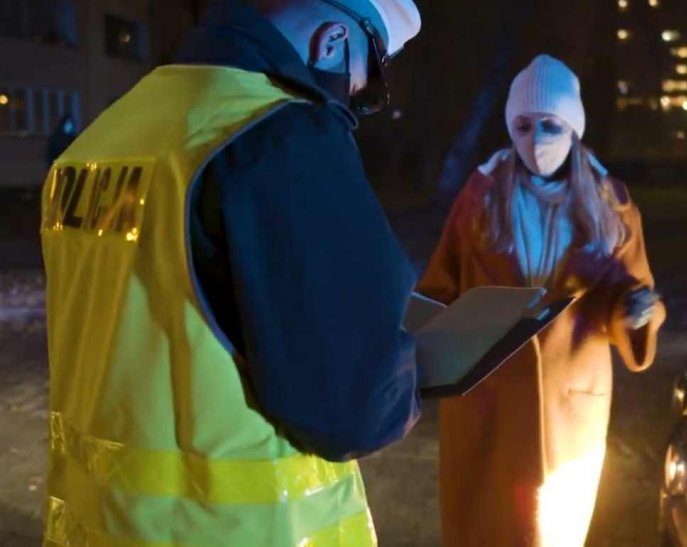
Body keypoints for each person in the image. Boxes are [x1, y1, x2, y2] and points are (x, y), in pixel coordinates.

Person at [39, 1, 422, 545]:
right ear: (332, 41)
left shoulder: (100, 139)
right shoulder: (280, 136)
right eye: (371, 77)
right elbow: (351, 408)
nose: (360, 98)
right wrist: (409, 373)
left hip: (97, 526)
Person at [418, 54, 667, 547]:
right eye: (524, 125)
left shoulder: (610, 205)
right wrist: (426, 341)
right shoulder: (480, 199)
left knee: (549, 531)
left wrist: (636, 312)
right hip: (487, 403)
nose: (536, 139)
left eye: (550, 124)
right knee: (482, 528)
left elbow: (631, 293)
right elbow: (438, 289)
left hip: (568, 405)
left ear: (573, 128)